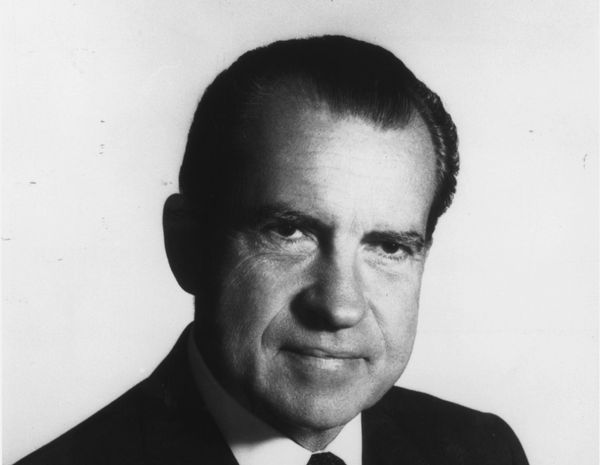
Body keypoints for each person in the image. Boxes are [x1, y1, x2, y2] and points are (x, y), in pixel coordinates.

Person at [16, 35, 529, 465]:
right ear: (187, 245)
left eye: (390, 246)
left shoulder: (481, 451)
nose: (340, 306)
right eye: (289, 232)